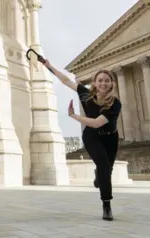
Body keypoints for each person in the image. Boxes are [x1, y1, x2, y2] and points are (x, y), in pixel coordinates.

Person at [40, 58, 121, 221]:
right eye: (100, 80)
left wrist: (74, 116)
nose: (103, 83)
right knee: (104, 166)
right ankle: (107, 205)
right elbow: (65, 81)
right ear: (95, 83)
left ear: (111, 84)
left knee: (106, 170)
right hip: (91, 137)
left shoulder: (115, 103)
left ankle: (99, 176)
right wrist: (49, 66)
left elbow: (98, 122)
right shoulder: (85, 94)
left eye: (107, 81)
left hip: (110, 138)